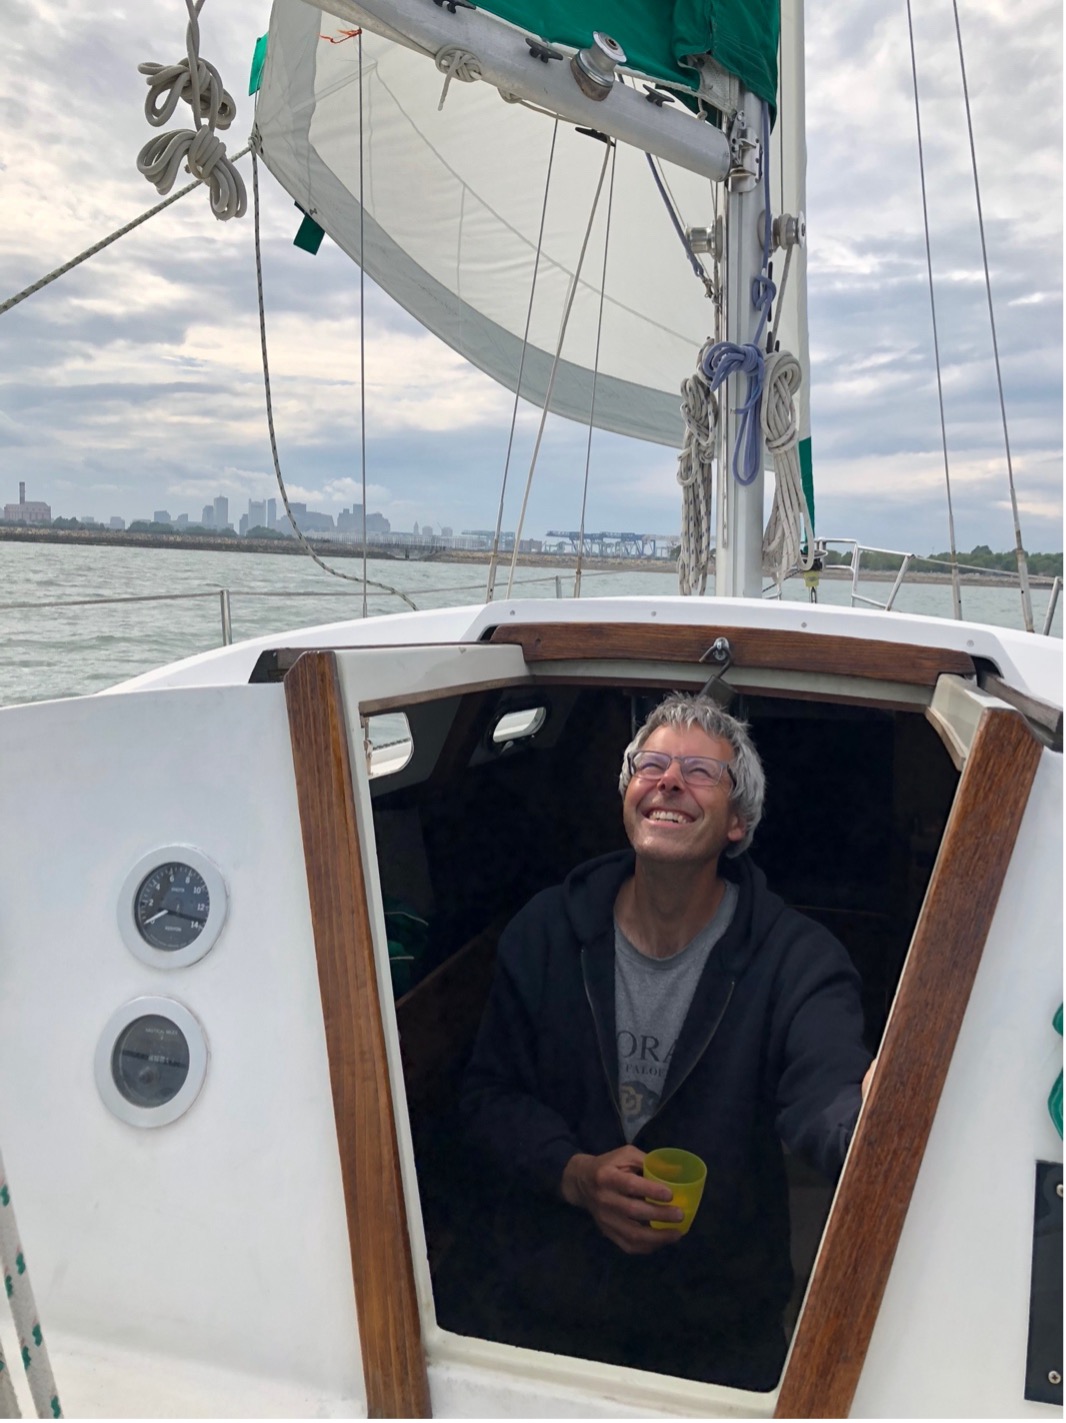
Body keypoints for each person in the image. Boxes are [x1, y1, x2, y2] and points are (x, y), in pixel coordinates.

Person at [460, 694, 874, 1390]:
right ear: (628, 796)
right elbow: (487, 1096)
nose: (669, 780)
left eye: (700, 772)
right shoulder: (544, 931)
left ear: (738, 822)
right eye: (650, 764)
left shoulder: (799, 959)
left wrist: (873, 1109)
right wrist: (576, 1174)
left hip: (717, 1326)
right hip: (548, 1312)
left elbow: (826, 1099)